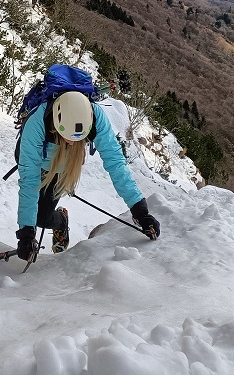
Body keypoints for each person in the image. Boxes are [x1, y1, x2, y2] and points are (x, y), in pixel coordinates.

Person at [15, 90, 160, 260]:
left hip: (61, 165)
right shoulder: (37, 123)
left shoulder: (96, 117)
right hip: (32, 155)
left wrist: (140, 211)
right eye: (68, 137)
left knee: (42, 218)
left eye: (78, 139)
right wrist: (26, 234)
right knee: (34, 211)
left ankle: (60, 221)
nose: (73, 143)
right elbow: (29, 181)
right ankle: (45, 220)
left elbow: (116, 164)